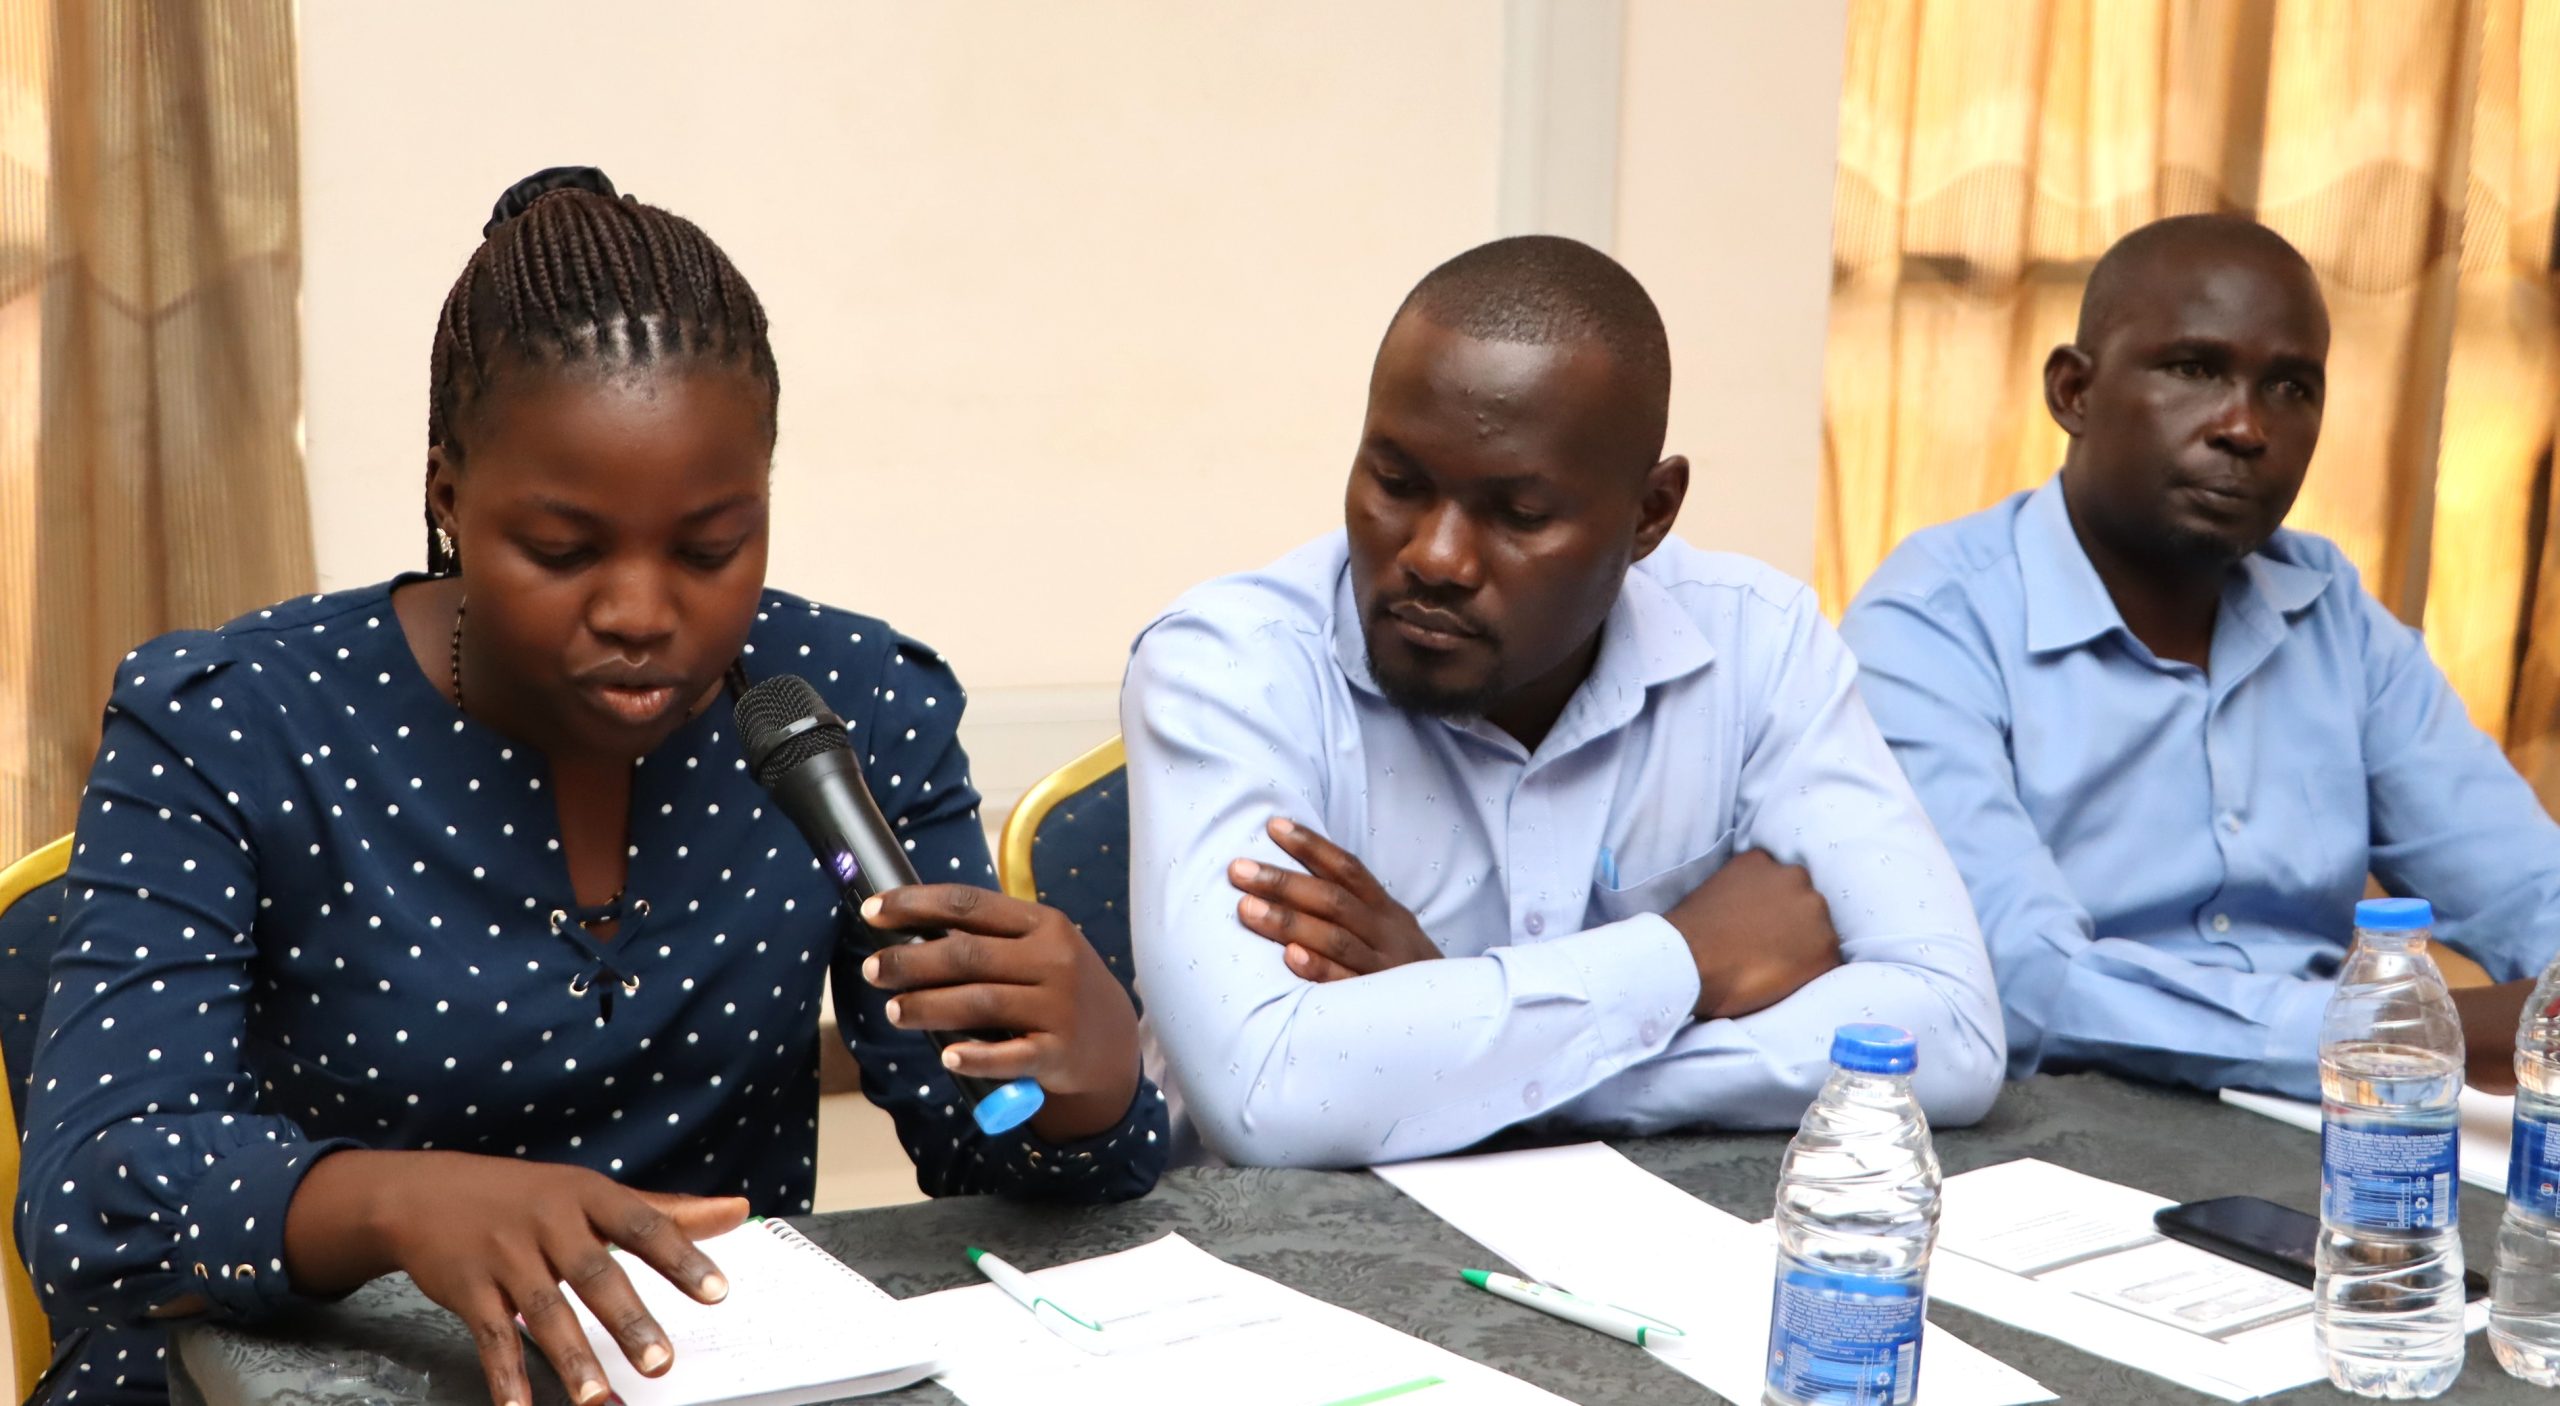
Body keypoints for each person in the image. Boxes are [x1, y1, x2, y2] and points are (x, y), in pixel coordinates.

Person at [16, 167, 1165, 1406]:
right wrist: (392, 1199)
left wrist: (1082, 1088)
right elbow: (95, 1190)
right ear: (449, 495)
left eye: (711, 548)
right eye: (562, 552)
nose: (639, 614)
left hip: (706, 1373)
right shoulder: (235, 720)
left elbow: (985, 1158)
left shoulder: (847, 701)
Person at [1122, 235, 2004, 1170]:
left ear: (1651, 514)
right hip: (1283, 1262)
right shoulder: (1230, 669)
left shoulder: (1761, 645)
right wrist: (1685, 962)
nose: (1437, 557)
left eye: (1519, 515)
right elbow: (1270, 1095)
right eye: (1397, 483)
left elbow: (1948, 1034)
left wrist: (1481, 1050)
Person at [1839, 214, 2560, 1102]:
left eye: (2291, 388)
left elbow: (2526, 882)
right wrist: (2404, 1034)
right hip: (2068, 1126)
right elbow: (2025, 983)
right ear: (2073, 392)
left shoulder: (2329, 608)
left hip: (2332, 1119)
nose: (2246, 427)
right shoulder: (1933, 621)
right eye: (2193, 370)